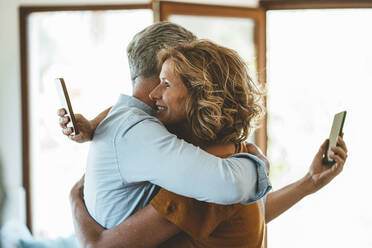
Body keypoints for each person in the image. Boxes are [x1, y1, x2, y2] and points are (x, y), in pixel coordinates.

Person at [64, 39, 348, 247]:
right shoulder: (236, 152)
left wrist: (75, 198)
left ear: (199, 94)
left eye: (165, 83)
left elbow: (100, 246)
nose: (153, 94)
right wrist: (309, 182)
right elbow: (246, 213)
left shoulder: (196, 184)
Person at [59, 21, 271, 237]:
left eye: (167, 83)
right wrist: (260, 166)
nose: (155, 94)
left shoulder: (129, 124)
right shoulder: (139, 131)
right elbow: (234, 186)